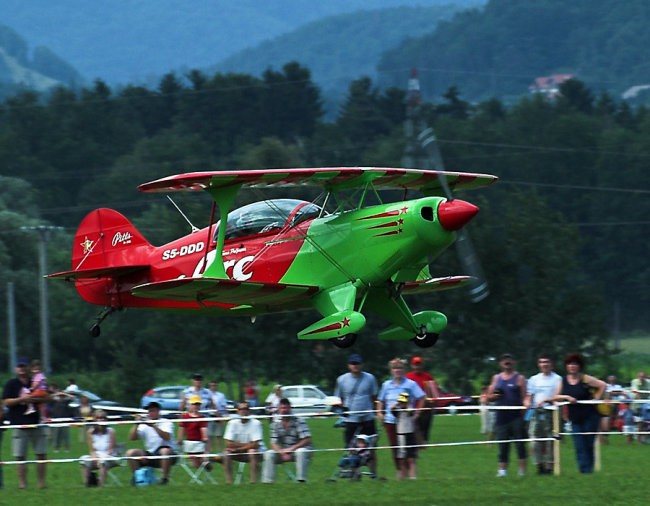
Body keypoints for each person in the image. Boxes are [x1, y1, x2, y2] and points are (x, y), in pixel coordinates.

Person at [546, 352, 606, 474]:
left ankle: (587, 471)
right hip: (574, 418)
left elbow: (602, 385)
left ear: (579, 366)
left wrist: (596, 400)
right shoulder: (563, 381)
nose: (572, 366)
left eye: (575, 364)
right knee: (579, 445)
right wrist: (567, 397)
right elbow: (556, 396)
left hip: (590, 416)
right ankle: (583, 470)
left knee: (588, 444)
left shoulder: (585, 378)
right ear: (566, 366)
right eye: (569, 364)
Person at [2, 358, 49, 489]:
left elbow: (47, 397)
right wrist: (22, 399)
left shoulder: (36, 380)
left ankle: (41, 483)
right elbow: (6, 402)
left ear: (28, 368)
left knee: (41, 454)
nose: (21, 368)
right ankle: (22, 483)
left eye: (24, 366)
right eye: (19, 366)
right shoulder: (11, 384)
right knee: (20, 456)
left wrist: (37, 398)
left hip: (36, 422)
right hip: (19, 424)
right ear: (16, 369)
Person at [376, 358, 425, 478]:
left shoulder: (410, 384)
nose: (397, 370)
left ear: (404, 370)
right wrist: (379, 413)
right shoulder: (386, 385)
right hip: (391, 421)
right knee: (395, 448)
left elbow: (422, 397)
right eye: (395, 368)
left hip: (405, 422)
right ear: (391, 371)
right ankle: (400, 472)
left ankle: (411, 474)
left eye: (400, 368)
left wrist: (417, 413)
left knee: (408, 449)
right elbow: (380, 400)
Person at [335, 353, 379, 477]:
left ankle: (373, 473)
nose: (355, 366)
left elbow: (374, 396)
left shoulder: (370, 378)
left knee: (371, 447)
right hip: (351, 419)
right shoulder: (342, 379)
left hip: (367, 418)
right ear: (349, 365)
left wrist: (374, 410)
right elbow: (341, 398)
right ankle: (355, 473)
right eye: (353, 363)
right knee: (351, 448)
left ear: (362, 365)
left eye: (357, 363)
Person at [487, 353, 527, 478]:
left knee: (520, 444)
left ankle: (522, 471)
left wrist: (524, 415)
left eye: (509, 359)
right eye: (504, 360)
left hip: (516, 416)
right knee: (503, 444)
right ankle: (502, 471)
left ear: (514, 362)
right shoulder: (496, 378)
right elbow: (489, 397)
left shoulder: (519, 378)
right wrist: (494, 396)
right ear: (500, 363)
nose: (507, 362)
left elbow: (524, 397)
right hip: (501, 417)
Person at [524, 354, 561, 475]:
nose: (544, 364)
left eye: (547, 362)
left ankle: (549, 467)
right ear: (539, 364)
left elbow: (557, 396)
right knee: (534, 439)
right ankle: (539, 465)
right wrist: (527, 402)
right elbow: (529, 396)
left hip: (551, 412)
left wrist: (547, 401)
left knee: (551, 440)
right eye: (542, 362)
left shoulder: (557, 379)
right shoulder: (534, 379)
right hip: (536, 412)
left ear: (551, 364)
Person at [262, 398, 312, 483]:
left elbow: (307, 439)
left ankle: (301, 480)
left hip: (300, 449)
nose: (284, 410)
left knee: (301, 451)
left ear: (290, 408)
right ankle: (267, 482)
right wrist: (282, 452)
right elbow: (273, 443)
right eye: (282, 408)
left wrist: (292, 449)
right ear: (278, 409)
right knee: (269, 453)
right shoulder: (275, 423)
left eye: (286, 408)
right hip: (284, 451)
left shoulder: (299, 420)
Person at [126, 401, 177, 485]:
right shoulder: (144, 424)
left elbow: (167, 437)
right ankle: (138, 478)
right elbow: (132, 438)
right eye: (149, 411)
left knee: (165, 451)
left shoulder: (166, 422)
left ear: (158, 411)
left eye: (152, 411)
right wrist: (136, 424)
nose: (150, 413)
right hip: (150, 454)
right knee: (131, 453)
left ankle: (164, 479)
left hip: (167, 455)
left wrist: (153, 426)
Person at [223, 401, 263, 484]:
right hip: (239, 452)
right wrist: (248, 445)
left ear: (249, 411)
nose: (243, 411)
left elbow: (256, 444)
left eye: (246, 409)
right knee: (226, 453)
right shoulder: (232, 423)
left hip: (255, 452)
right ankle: (229, 481)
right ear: (237, 411)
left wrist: (239, 448)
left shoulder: (256, 423)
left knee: (252, 452)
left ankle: (253, 481)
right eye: (241, 409)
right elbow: (228, 443)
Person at [405, 356, 440, 445]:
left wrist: (433, 401)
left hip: (426, 408)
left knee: (425, 427)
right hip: (413, 408)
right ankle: (415, 443)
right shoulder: (408, 377)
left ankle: (424, 443)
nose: (417, 367)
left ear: (422, 365)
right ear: (412, 366)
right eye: (415, 365)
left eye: (419, 365)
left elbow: (434, 390)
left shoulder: (428, 376)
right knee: (414, 427)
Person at [80, 409, 118, 487]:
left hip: (110, 457)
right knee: (83, 460)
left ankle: (101, 485)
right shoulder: (90, 432)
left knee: (102, 462)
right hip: (96, 457)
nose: (101, 420)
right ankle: (87, 483)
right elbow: (92, 450)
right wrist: (94, 457)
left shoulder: (111, 431)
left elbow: (111, 450)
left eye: (103, 418)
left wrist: (100, 458)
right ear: (95, 419)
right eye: (99, 418)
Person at [177, 395, 211, 470]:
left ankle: (206, 459)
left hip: (199, 444)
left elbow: (204, 431)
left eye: (198, 404)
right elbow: (181, 431)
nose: (196, 406)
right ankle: (206, 461)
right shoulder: (185, 417)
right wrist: (179, 440)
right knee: (195, 464)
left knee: (201, 459)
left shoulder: (202, 418)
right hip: (189, 444)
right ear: (190, 405)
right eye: (194, 404)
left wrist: (205, 438)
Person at [391, 392, 418, 480]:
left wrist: (407, 405)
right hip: (401, 435)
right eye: (401, 402)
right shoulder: (397, 411)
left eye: (404, 402)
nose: (402, 404)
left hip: (409, 434)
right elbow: (392, 408)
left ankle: (412, 476)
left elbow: (410, 411)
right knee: (401, 458)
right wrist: (397, 403)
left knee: (411, 458)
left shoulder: (410, 410)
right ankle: (401, 476)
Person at [48, 383, 75, 452]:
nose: (61, 396)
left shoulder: (66, 401)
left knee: (66, 436)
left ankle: (67, 448)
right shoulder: (55, 401)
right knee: (56, 436)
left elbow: (73, 397)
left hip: (65, 420)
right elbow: (49, 397)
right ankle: (56, 448)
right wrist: (57, 393)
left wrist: (65, 394)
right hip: (56, 420)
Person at [208, 379, 229, 452]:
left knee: (219, 435)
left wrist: (225, 415)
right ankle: (209, 451)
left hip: (219, 416)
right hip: (210, 417)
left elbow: (224, 406)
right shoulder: (207, 394)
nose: (213, 387)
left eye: (215, 385)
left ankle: (220, 451)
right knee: (209, 436)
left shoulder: (221, 395)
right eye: (212, 385)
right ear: (209, 385)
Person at [630, 371, 650, 442]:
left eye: (643, 377)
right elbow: (636, 393)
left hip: (646, 404)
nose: (641, 378)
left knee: (645, 422)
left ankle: (643, 438)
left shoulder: (648, 382)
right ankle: (638, 439)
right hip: (637, 404)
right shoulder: (635, 382)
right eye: (640, 377)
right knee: (639, 422)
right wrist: (640, 399)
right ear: (638, 377)